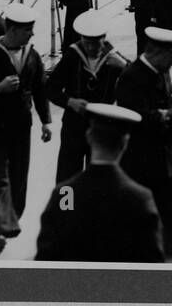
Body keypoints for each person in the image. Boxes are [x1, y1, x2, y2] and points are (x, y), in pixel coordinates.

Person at [115, 27, 172, 264]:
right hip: (139, 165)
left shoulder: (160, 71)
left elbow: (171, 99)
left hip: (161, 162)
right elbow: (135, 118)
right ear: (157, 52)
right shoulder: (131, 77)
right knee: (141, 223)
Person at [0, 3, 53, 253]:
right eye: (28, 30)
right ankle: (0, 229)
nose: (32, 34)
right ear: (14, 29)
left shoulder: (32, 55)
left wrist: (46, 121)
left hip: (21, 125)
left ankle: (9, 218)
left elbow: (40, 89)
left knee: (18, 177)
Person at [35, 103, 164, 263]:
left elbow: (47, 254)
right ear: (124, 144)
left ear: (89, 137)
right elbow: (152, 265)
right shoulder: (139, 198)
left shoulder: (66, 193)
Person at [46, 10, 128, 183]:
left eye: (96, 44)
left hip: (102, 126)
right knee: (67, 176)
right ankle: (65, 208)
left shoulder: (113, 57)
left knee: (99, 177)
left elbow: (139, 80)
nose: (91, 48)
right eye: (87, 43)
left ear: (104, 38)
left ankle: (94, 210)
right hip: (74, 125)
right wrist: (69, 102)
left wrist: (125, 67)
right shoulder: (72, 56)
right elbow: (50, 88)